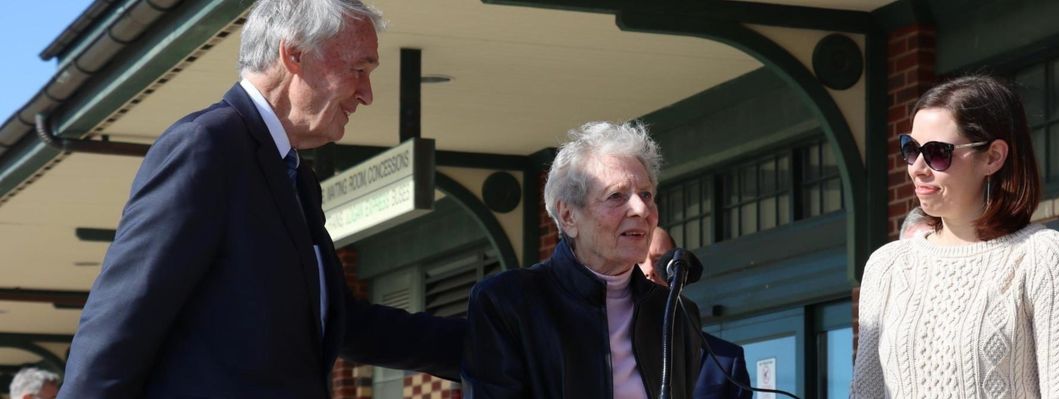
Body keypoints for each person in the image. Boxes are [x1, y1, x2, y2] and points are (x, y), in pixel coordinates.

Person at [59, 1, 463, 397]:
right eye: (358, 70)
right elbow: (123, 317)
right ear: (294, 54)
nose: (367, 94)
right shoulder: (207, 146)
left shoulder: (295, 175)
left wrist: (500, 336)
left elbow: (342, 321)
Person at [850, 75, 1059, 398]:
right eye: (910, 149)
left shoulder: (1043, 257)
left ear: (993, 157)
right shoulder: (887, 266)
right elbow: (865, 393)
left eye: (937, 153)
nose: (917, 168)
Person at [462, 121, 703, 398]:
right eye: (616, 196)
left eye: (646, 194)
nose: (641, 209)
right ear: (568, 216)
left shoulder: (676, 313)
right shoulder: (507, 302)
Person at [639, 227, 752, 399]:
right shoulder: (605, 349)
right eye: (639, 261)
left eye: (659, 260)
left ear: (676, 271)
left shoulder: (725, 361)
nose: (649, 270)